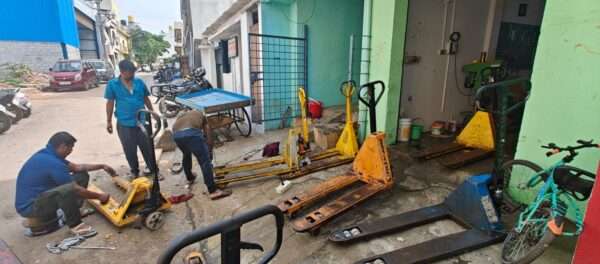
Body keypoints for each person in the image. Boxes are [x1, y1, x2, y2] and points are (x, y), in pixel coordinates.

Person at [15, 132, 116, 237]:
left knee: (81, 175)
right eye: (70, 148)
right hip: (30, 207)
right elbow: (75, 189)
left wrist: (102, 166)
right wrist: (100, 197)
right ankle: (76, 226)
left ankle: (75, 210)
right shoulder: (53, 163)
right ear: (63, 146)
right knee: (68, 189)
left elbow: (77, 168)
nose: (71, 151)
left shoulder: (47, 154)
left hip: (40, 197)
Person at [105, 59, 156, 178]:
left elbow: (146, 98)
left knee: (147, 147)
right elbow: (110, 103)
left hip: (142, 121)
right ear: (122, 72)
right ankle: (135, 171)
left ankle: (153, 170)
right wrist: (108, 121)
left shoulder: (139, 82)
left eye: (133, 72)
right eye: (129, 73)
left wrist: (152, 112)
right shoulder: (113, 84)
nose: (132, 75)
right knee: (129, 149)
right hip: (124, 123)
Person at [172, 110, 231, 200]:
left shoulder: (182, 116)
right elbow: (208, 135)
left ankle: (190, 177)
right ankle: (213, 190)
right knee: (204, 161)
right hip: (191, 133)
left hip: (176, 135)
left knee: (186, 154)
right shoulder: (202, 115)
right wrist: (209, 151)